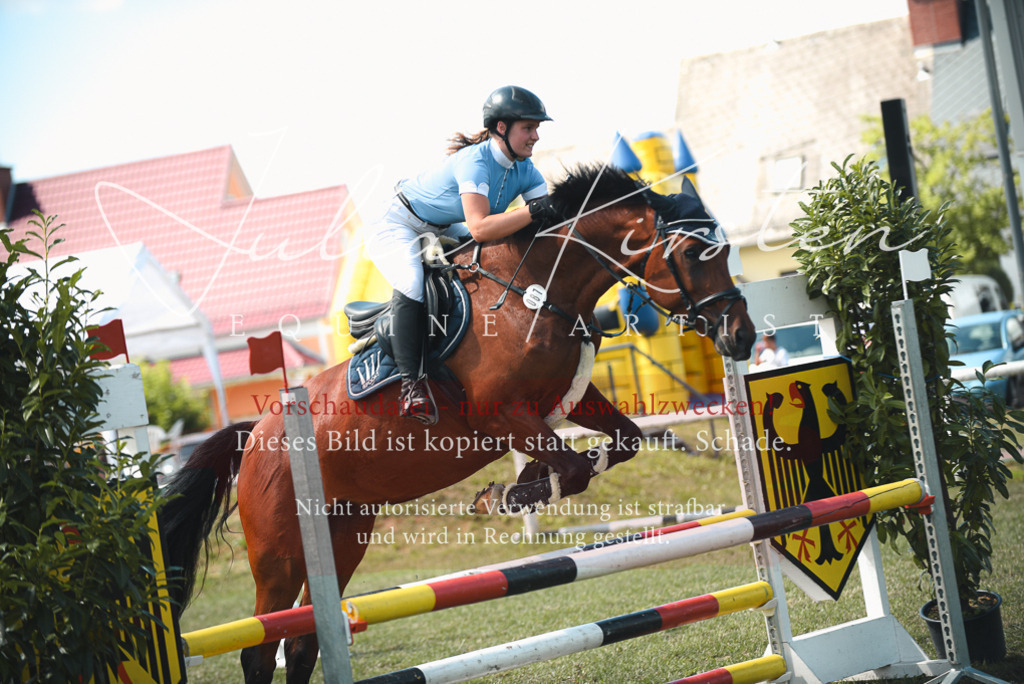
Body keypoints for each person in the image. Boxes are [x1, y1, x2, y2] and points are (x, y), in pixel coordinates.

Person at [365, 86, 559, 424]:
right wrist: (534, 211)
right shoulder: (475, 161)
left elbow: (548, 222)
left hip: (443, 225)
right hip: (397, 222)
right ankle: (413, 385)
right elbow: (482, 228)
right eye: (528, 128)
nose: (536, 136)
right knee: (411, 281)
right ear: (502, 128)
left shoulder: (526, 170)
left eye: (537, 128)